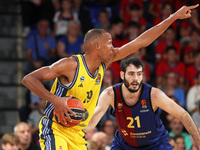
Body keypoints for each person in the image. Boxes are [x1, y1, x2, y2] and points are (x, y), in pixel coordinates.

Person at [21, 5, 199, 150]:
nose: (113, 47)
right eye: (109, 43)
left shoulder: (104, 64)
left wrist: (173, 17)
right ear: (97, 46)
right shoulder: (70, 65)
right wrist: (56, 100)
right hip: (56, 128)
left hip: (77, 133)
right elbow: (28, 79)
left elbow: (141, 41)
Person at [84, 56, 200, 150]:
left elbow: (183, 115)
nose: (136, 78)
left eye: (139, 74)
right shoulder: (110, 94)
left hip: (155, 144)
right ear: (122, 75)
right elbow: (90, 124)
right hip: (124, 145)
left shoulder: (154, 95)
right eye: (131, 74)